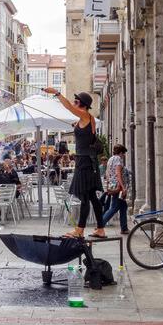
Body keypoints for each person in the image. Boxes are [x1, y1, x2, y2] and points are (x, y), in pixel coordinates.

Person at [44, 87, 106, 239]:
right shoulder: (82, 119)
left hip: (85, 162)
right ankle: (100, 229)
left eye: (76, 101)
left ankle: (80, 230)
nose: (74, 102)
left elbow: (69, 107)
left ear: (82, 104)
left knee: (85, 196)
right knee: (91, 197)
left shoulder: (85, 115)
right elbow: (83, 133)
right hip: (86, 161)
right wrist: (76, 127)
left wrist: (56, 93)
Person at [102, 145, 130, 234]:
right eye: (123, 153)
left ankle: (124, 228)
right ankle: (100, 225)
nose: (124, 155)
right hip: (118, 187)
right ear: (121, 152)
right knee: (113, 208)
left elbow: (107, 174)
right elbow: (118, 174)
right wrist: (123, 187)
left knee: (123, 206)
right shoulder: (118, 159)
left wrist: (108, 185)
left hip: (112, 185)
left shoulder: (110, 159)